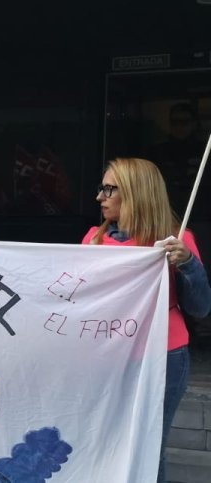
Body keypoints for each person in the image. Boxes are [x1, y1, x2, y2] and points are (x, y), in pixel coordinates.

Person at [83, 158, 211, 483]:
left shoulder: (177, 242)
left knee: (149, 447)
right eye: (102, 188)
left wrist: (188, 264)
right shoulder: (92, 240)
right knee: (105, 442)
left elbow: (200, 309)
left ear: (135, 192)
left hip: (163, 359)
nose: (99, 196)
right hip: (106, 357)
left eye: (108, 189)